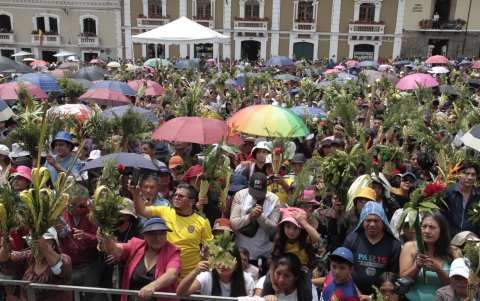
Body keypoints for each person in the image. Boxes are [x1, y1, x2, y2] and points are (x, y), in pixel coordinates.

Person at [132, 183, 213, 279]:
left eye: (181, 196)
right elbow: (141, 211)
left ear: (191, 201)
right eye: (175, 195)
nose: (176, 198)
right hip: (164, 275)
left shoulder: (202, 221)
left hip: (189, 277)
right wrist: (136, 194)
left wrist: (203, 267)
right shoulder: (164, 211)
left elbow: (209, 247)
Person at [99, 217, 180, 301]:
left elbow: (172, 274)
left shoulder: (173, 251)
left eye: (161, 233)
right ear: (145, 235)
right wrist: (103, 235)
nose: (158, 237)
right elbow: (114, 248)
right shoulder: (136, 245)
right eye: (153, 234)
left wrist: (153, 285)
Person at [53, 183, 104, 301]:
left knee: (92, 295)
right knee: (67, 296)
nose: (76, 209)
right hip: (68, 264)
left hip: (89, 263)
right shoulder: (59, 213)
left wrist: (86, 236)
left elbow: (101, 240)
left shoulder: (92, 213)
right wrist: (55, 230)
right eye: (72, 205)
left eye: (81, 206)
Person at [343, 201, 402, 297]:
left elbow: (393, 277)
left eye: (376, 220)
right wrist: (359, 295)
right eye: (368, 220)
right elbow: (343, 269)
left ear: (383, 222)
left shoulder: (394, 245)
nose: (372, 224)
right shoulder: (352, 240)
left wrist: (373, 298)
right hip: (352, 294)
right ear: (362, 221)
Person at [0, 228, 72, 301]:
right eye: (32, 242)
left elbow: (59, 269)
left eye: (37, 243)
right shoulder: (29, 256)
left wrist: (45, 248)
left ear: (52, 245)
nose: (33, 246)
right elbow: (6, 262)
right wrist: (5, 248)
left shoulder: (64, 258)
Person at [230, 172, 281, 274]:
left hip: (264, 253)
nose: (257, 196)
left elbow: (273, 228)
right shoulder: (240, 195)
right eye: (254, 193)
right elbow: (234, 223)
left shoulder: (274, 199)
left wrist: (260, 216)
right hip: (242, 252)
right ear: (249, 185)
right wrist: (250, 217)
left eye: (260, 193)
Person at [400, 210, 452, 301]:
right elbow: (403, 280)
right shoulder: (409, 247)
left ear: (442, 230)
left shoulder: (454, 251)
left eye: (432, 227)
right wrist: (417, 267)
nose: (427, 231)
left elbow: (458, 285)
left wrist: (439, 270)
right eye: (424, 226)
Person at [176, 247, 255, 297]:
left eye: (228, 261)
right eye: (219, 259)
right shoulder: (206, 276)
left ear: (237, 264)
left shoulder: (247, 280)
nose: (222, 264)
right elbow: (180, 293)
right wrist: (195, 272)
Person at [441, 161, 480, 237]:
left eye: (473, 174)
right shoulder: (448, 193)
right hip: (449, 239)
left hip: (472, 240)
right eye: (466, 173)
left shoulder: (478, 195)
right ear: (458, 175)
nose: (469, 177)